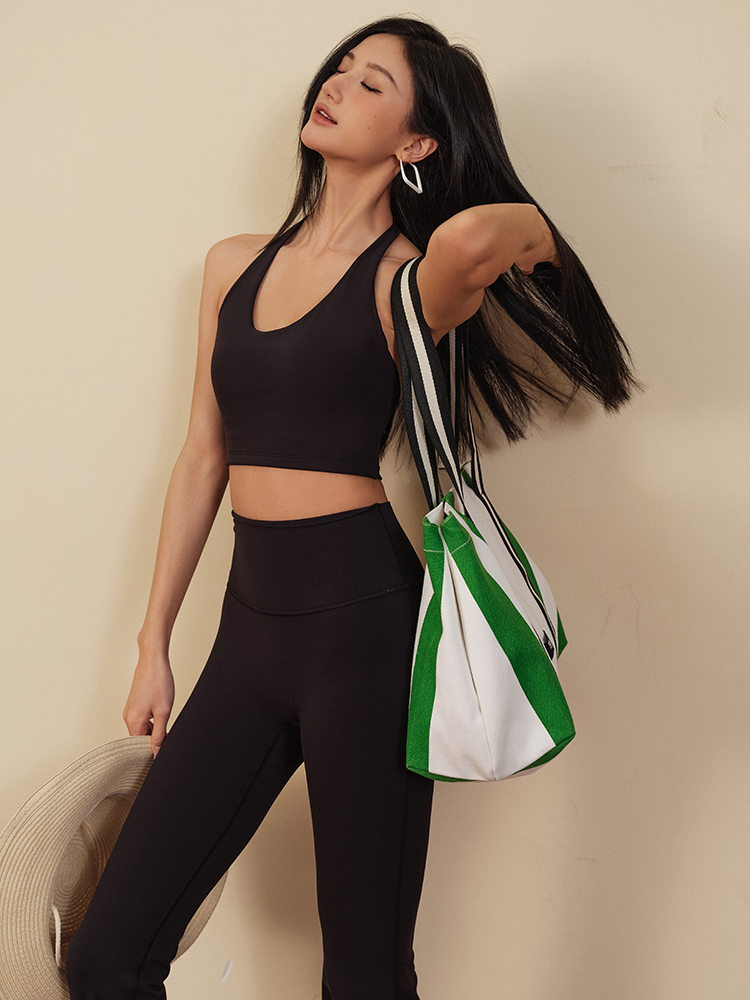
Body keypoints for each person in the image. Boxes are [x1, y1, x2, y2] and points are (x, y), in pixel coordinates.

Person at [64, 16, 637, 1000]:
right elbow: (203, 456)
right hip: (248, 631)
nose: (335, 83)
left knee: (366, 973)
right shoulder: (232, 264)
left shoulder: (408, 283)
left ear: (418, 140)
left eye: (373, 83)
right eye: (341, 67)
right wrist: (153, 640)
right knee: (106, 955)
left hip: (363, 630)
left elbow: (487, 235)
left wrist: (521, 231)